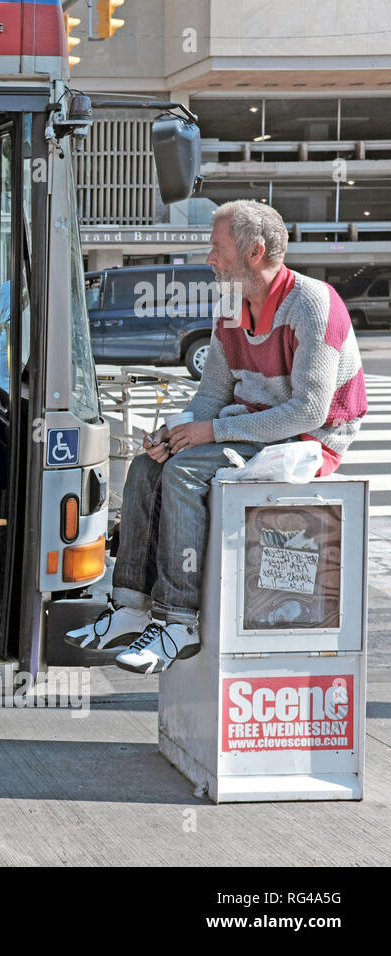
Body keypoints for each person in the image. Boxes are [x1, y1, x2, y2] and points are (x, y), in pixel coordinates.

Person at [67, 200, 367, 673]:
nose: (208, 258)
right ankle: (128, 604)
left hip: (310, 439)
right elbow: (211, 395)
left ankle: (179, 621)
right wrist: (176, 431)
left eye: (217, 247)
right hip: (253, 426)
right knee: (151, 464)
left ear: (255, 251)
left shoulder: (312, 302)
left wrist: (211, 431)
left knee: (184, 473)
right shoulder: (231, 305)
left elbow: (310, 410)